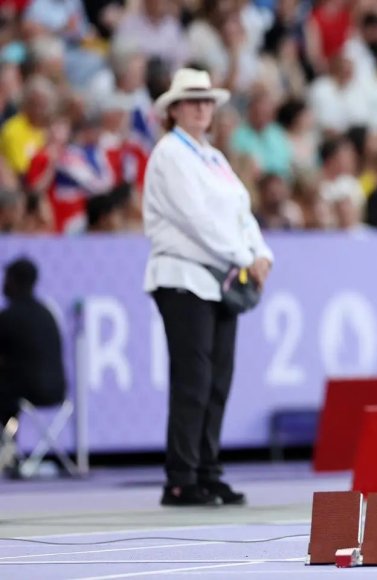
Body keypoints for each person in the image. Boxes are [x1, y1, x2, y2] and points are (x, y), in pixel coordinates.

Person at [143, 68, 274, 507]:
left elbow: (242, 212)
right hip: (183, 276)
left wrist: (261, 252)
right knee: (193, 380)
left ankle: (206, 469)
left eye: (206, 101)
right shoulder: (169, 154)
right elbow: (195, 219)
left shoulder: (212, 157)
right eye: (192, 100)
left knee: (217, 380)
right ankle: (181, 476)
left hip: (218, 278)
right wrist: (244, 257)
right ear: (174, 109)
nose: (202, 107)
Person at [0, 258, 66, 472]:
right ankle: (9, 451)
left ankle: (7, 451)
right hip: (57, 391)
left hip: (25, 392)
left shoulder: (8, 317)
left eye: (7, 278)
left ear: (14, 281)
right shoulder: (48, 314)